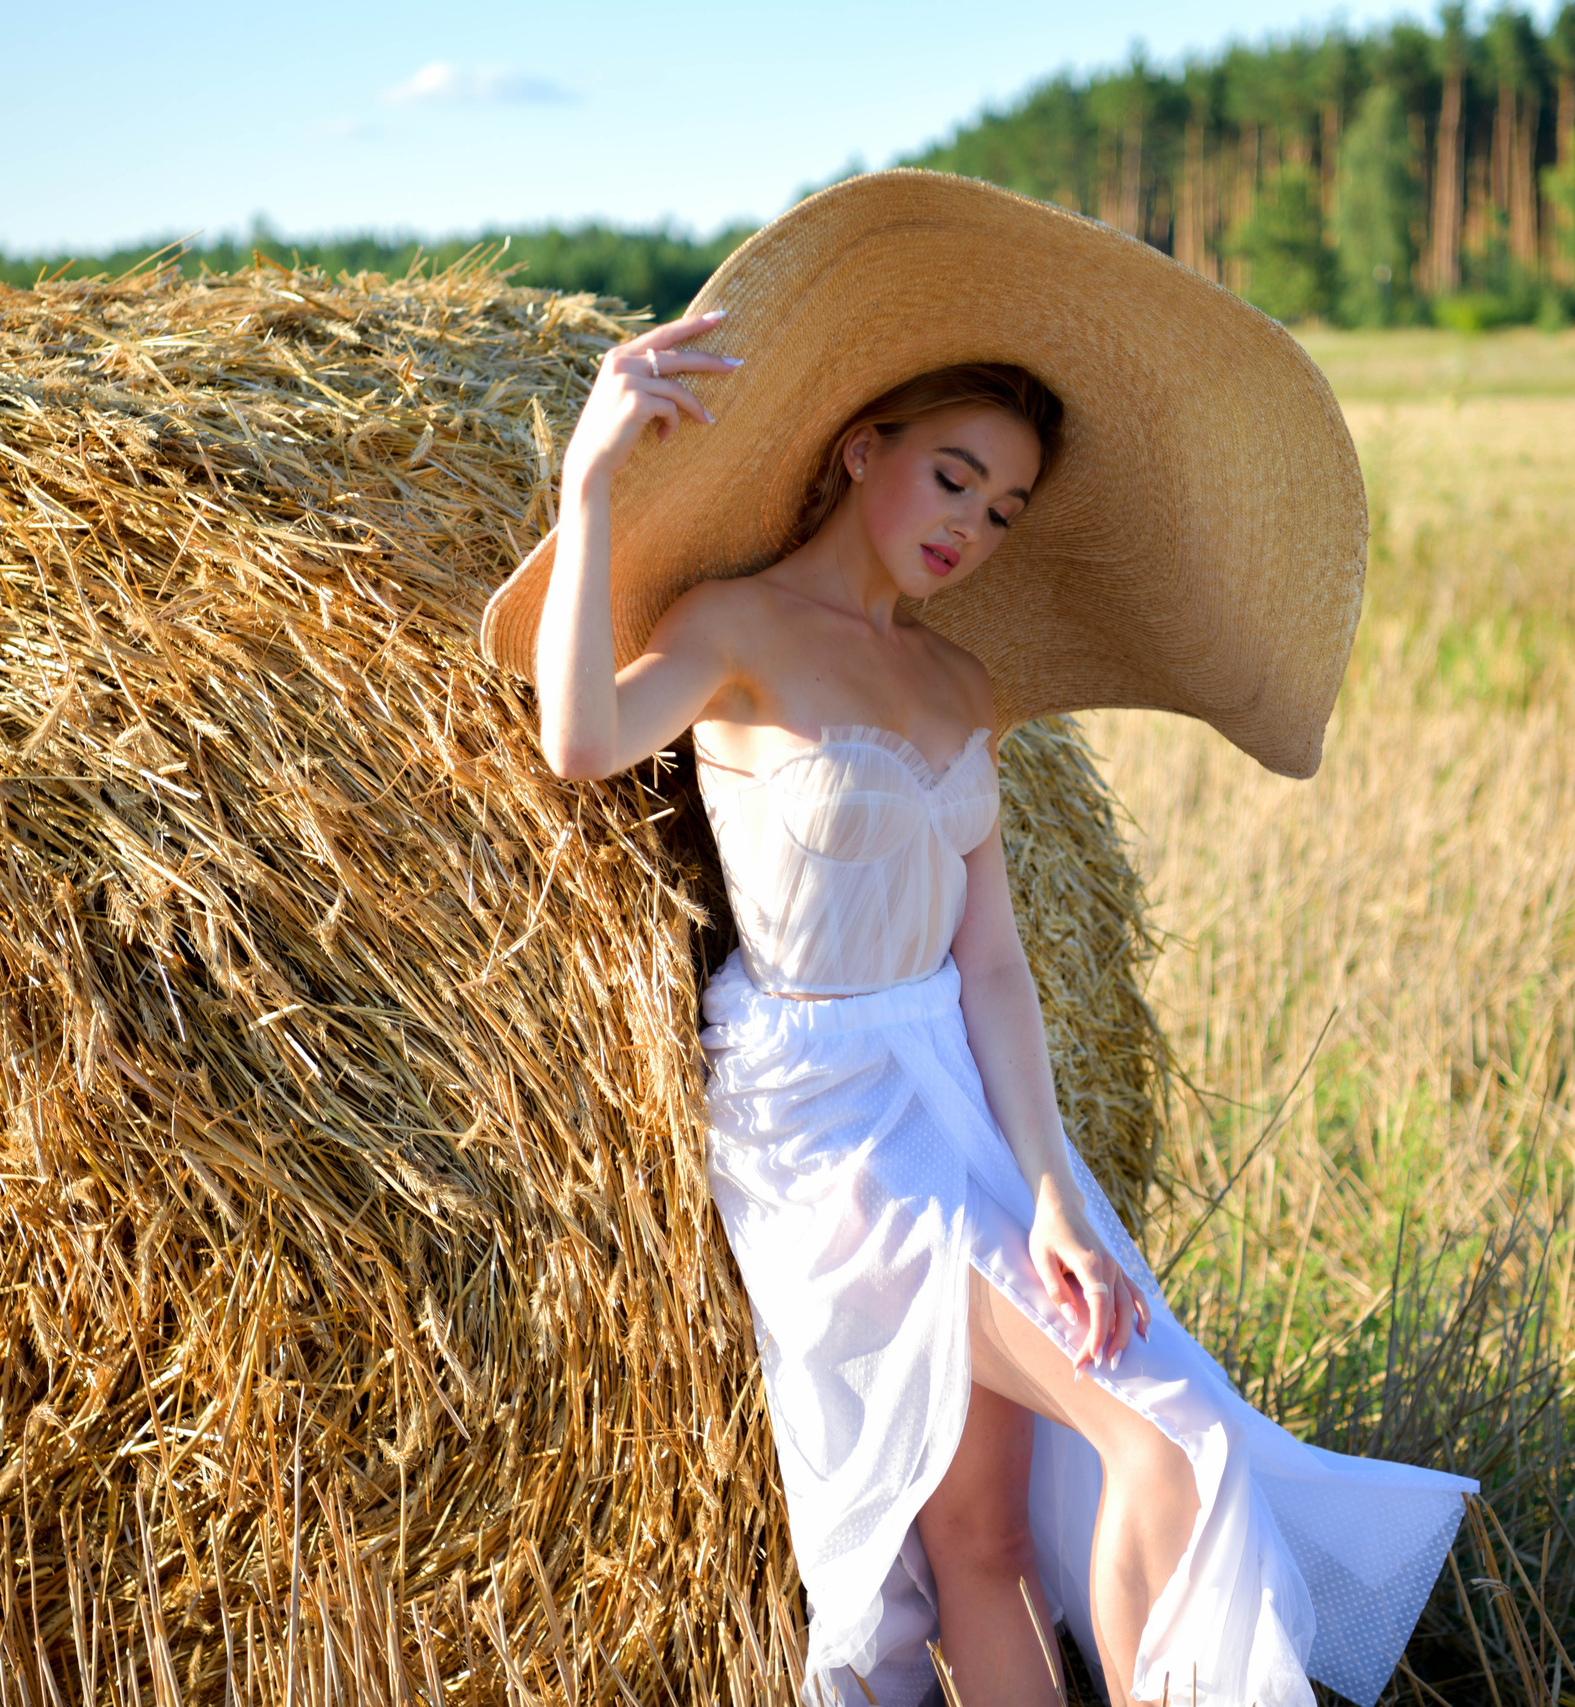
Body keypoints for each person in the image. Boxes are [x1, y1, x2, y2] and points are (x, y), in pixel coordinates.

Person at [486, 171, 1473, 1707]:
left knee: (987, 1540)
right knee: (1166, 1436)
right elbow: (579, 742)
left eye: (1002, 509)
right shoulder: (738, 631)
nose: (973, 527)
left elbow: (994, 966)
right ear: (861, 447)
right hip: (819, 1126)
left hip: (948, 1092)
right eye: (953, 478)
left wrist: (1056, 1197)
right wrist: (593, 481)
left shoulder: (955, 690)